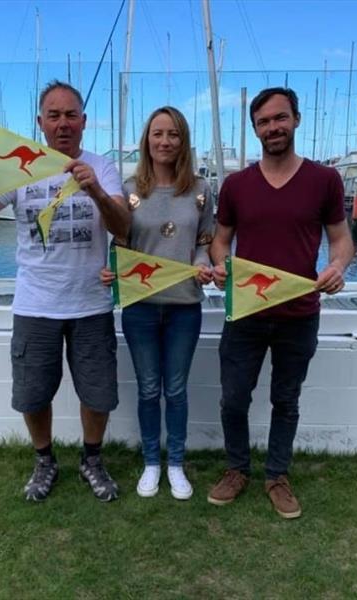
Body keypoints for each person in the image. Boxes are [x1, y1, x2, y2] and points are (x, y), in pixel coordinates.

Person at [0, 81, 130, 502]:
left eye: (71, 114)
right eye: (54, 115)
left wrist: (97, 192)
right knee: (33, 393)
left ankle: (91, 458)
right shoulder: (21, 167)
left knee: (98, 392)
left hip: (91, 303)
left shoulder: (102, 167)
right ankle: (44, 460)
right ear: (40, 123)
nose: (63, 123)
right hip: (36, 304)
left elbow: (124, 228)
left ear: (84, 122)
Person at [206, 87, 354, 518]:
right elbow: (220, 241)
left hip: (300, 314)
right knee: (233, 398)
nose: (273, 127)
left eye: (280, 118)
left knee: (285, 400)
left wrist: (338, 267)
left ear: (296, 119)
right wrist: (222, 266)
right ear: (255, 129)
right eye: (264, 122)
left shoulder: (324, 180)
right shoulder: (236, 185)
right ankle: (237, 469)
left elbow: (341, 238)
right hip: (246, 312)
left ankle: (276, 475)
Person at [101, 106, 214, 500]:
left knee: (177, 390)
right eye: (157, 134)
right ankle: (152, 461)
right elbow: (121, 247)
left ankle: (177, 464)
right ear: (146, 140)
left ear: (183, 141)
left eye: (173, 135)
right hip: (140, 307)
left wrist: (202, 266)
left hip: (185, 306)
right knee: (149, 389)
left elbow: (203, 245)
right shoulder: (129, 190)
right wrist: (110, 271)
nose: (165, 141)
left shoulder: (200, 190)